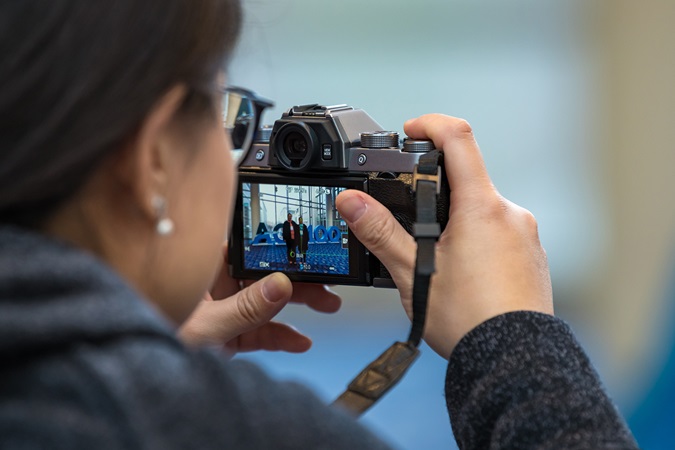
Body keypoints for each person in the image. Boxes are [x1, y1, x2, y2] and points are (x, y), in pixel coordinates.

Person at [0, 1, 639, 449]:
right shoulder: (224, 426)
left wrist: (136, 345)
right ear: (154, 158)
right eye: (232, 119)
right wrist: (515, 345)